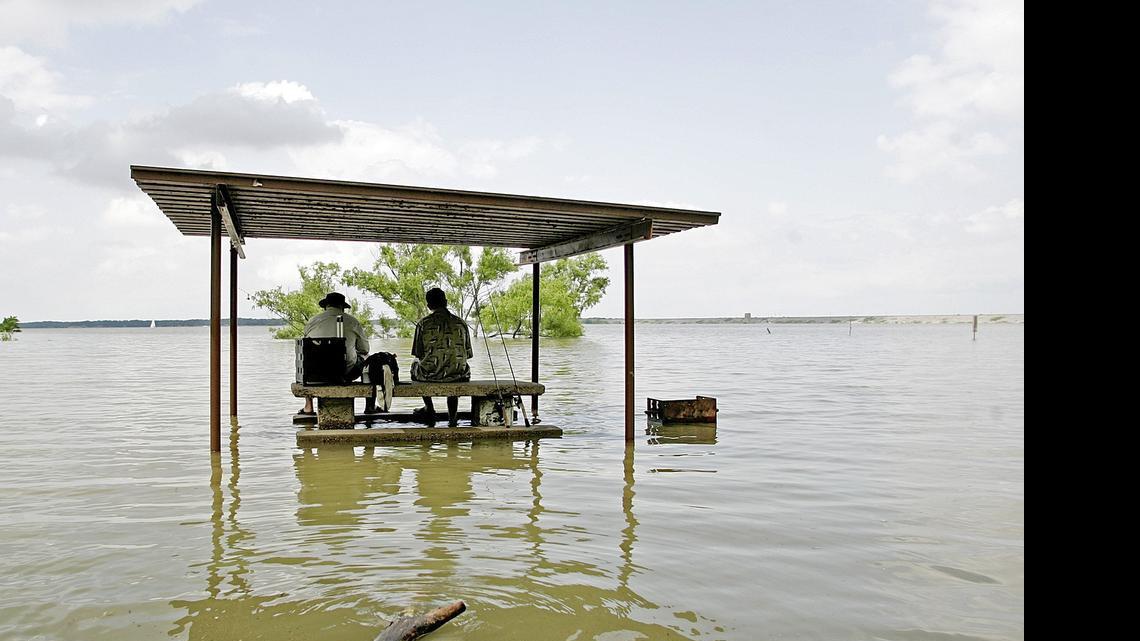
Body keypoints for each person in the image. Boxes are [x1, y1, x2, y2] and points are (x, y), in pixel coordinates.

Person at [299, 292, 379, 415]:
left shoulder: (312, 321)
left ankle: (308, 406)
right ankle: (370, 407)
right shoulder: (352, 322)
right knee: (368, 358)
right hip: (345, 374)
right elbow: (365, 349)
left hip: (314, 374)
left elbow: (306, 346)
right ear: (342, 307)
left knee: (307, 358)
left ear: (326, 306)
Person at [410, 287, 473, 427]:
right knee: (454, 366)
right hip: (458, 375)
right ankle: (452, 416)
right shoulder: (461, 323)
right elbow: (468, 354)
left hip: (430, 375)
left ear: (429, 306)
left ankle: (430, 409)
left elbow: (418, 354)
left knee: (414, 365)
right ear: (446, 301)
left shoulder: (423, 324)